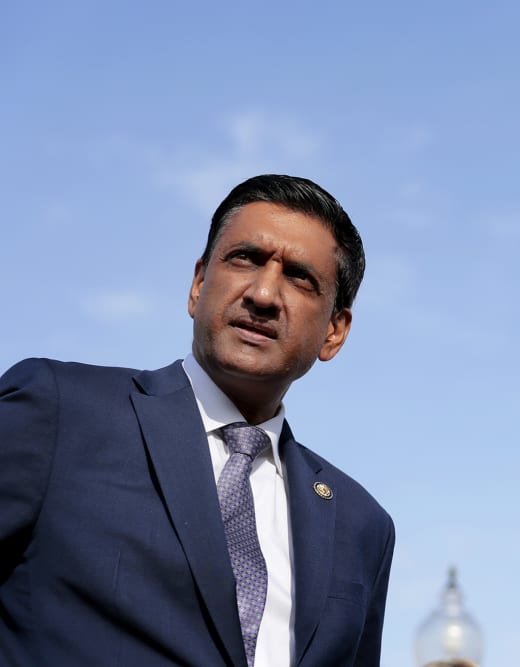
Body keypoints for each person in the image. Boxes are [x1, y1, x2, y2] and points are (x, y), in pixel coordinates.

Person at [0, 174, 394, 666]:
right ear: (198, 284)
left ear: (334, 332)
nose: (264, 294)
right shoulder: (61, 412)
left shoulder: (363, 526)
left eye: (299, 277)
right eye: (245, 258)